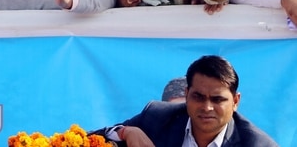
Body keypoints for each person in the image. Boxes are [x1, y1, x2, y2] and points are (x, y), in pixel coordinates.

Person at [89, 55, 278, 146]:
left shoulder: (257, 144)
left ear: (235, 101)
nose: (207, 107)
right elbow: (87, 138)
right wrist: (125, 132)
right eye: (198, 97)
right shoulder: (157, 117)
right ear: (186, 94)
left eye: (217, 99)